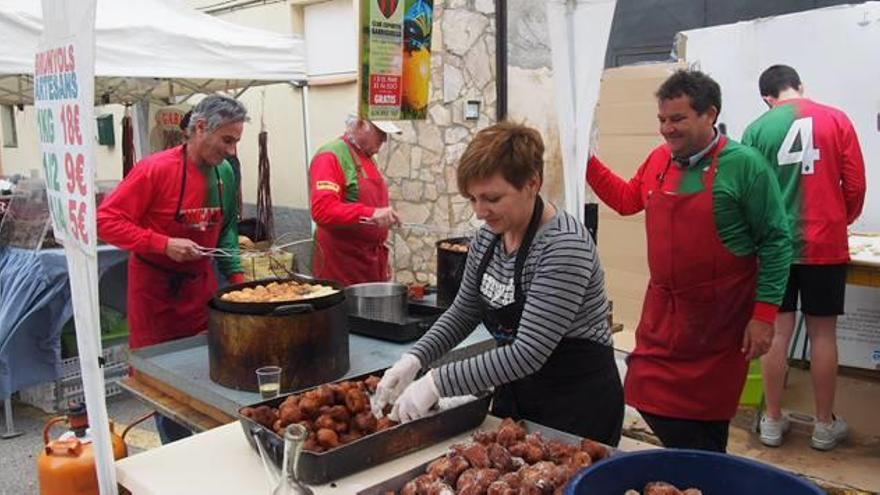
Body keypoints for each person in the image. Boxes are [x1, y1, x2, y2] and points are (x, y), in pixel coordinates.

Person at [375, 122, 624, 445]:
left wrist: (437, 382)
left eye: (491, 198)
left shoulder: (563, 246)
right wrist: (415, 359)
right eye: (473, 199)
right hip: (518, 393)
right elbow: (464, 312)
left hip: (575, 407)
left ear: (532, 183)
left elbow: (528, 352)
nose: (479, 212)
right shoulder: (488, 238)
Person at [586, 70, 791, 452]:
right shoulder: (659, 159)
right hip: (664, 315)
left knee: (707, 424)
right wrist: (586, 160)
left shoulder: (745, 166)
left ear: (709, 114)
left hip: (719, 321)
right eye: (662, 119)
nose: (667, 129)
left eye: (677, 119)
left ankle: (703, 476)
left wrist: (764, 316)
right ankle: (698, 469)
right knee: (644, 389)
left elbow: (777, 242)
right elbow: (627, 199)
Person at [97, 95, 248, 442]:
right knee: (165, 387)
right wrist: (163, 243)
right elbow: (105, 221)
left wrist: (238, 283)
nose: (230, 150)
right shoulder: (155, 169)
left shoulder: (224, 173)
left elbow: (224, 231)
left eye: (236, 142)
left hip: (202, 291)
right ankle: (174, 450)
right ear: (199, 128)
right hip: (156, 296)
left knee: (208, 375)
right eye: (227, 140)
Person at [741, 65, 866, 451]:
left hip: (775, 247)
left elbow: (748, 192)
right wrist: (837, 219)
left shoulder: (758, 130)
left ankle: (774, 421)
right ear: (799, 87)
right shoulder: (837, 119)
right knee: (823, 334)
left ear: (767, 97)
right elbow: (856, 183)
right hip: (825, 243)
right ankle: (825, 425)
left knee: (777, 332)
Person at [309, 115, 402, 285]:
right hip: (341, 264)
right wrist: (371, 213)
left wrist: (381, 257)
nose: (385, 139)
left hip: (369, 262)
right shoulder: (330, 156)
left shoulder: (367, 157)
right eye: (380, 133)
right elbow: (322, 210)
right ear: (360, 125)